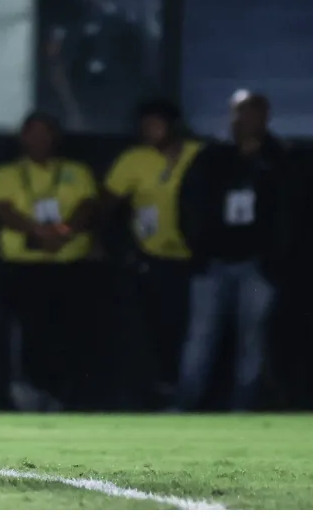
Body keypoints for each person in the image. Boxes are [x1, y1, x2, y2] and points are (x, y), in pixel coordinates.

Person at [175, 91, 291, 411]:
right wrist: (197, 247)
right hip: (212, 261)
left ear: (265, 116)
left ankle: (244, 407)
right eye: (240, 113)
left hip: (258, 263)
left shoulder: (280, 158)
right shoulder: (212, 155)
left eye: (253, 113)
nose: (246, 120)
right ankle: (186, 403)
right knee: (200, 336)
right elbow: (188, 203)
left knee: (252, 338)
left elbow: (290, 210)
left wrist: (276, 258)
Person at [0, 111, 99, 411]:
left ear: (56, 137)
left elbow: (88, 204)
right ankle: (27, 393)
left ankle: (63, 395)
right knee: (27, 332)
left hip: (69, 265)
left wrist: (64, 231)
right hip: (24, 266)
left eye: (45, 132)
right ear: (23, 137)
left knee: (68, 332)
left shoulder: (77, 171)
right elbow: (1, 208)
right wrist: (38, 231)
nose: (39, 139)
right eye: (33, 132)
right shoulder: (7, 173)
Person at [102, 99, 204, 407]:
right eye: (144, 125)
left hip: (197, 257)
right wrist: (116, 244)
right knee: (158, 327)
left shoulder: (199, 154)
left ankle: (193, 395)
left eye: (155, 124)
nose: (148, 130)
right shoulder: (134, 159)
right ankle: (163, 388)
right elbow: (107, 204)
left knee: (196, 329)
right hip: (154, 256)